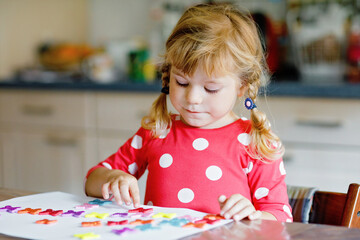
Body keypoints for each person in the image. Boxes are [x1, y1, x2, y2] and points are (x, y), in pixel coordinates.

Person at [85, 3, 293, 222]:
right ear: (168, 76)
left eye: (210, 88)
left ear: (242, 86)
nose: (192, 98)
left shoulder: (255, 143)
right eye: (182, 82)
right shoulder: (157, 132)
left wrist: (254, 215)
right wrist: (112, 178)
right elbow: (91, 181)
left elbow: (280, 217)